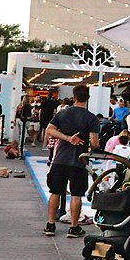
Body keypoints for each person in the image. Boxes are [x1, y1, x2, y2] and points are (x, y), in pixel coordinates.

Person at [42, 85, 100, 238]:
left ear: (74, 97)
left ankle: (50, 224)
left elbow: (49, 129)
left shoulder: (63, 113)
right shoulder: (91, 118)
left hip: (60, 159)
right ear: (87, 98)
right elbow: (94, 143)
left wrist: (67, 138)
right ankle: (74, 227)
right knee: (76, 194)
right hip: (79, 161)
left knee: (55, 191)